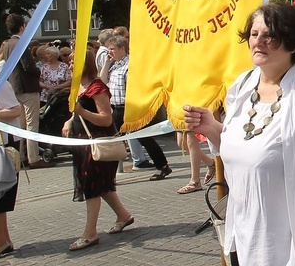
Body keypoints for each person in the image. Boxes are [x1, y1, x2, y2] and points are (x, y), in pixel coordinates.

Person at [183, 2, 295, 266]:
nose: (259, 41)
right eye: (254, 34)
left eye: (269, 35)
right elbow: (243, 148)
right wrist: (213, 129)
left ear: (291, 42)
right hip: (247, 241)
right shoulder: (242, 86)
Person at [61, 50, 134, 251]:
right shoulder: (78, 87)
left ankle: (90, 233)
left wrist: (81, 112)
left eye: (73, 62)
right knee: (102, 185)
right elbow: (77, 113)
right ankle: (124, 216)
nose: (69, 65)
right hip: (82, 144)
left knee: (92, 187)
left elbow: (106, 119)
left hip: (97, 143)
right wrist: (70, 120)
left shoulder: (96, 87)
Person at [100, 35, 172, 181]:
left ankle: (163, 166)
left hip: (129, 108)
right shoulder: (114, 64)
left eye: (112, 49)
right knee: (112, 140)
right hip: (116, 107)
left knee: (143, 138)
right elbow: (102, 80)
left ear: (122, 49)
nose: (110, 52)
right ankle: (110, 174)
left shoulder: (130, 65)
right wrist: (107, 63)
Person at [1, 14, 52, 168]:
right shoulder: (21, 43)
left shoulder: (7, 44)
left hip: (15, 87)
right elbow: (28, 66)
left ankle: (21, 156)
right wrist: (38, 72)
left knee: (20, 125)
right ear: (22, 27)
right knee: (32, 124)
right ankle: (33, 157)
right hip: (28, 88)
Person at [0, 81, 25, 258]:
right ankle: (3, 239)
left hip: (2, 143)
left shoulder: (0, 82)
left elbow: (15, 109)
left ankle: (0, 240)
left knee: (0, 192)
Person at [176, 130, 216, 195]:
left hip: (193, 121)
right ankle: (211, 163)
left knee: (191, 142)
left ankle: (195, 181)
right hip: (179, 120)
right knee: (181, 143)